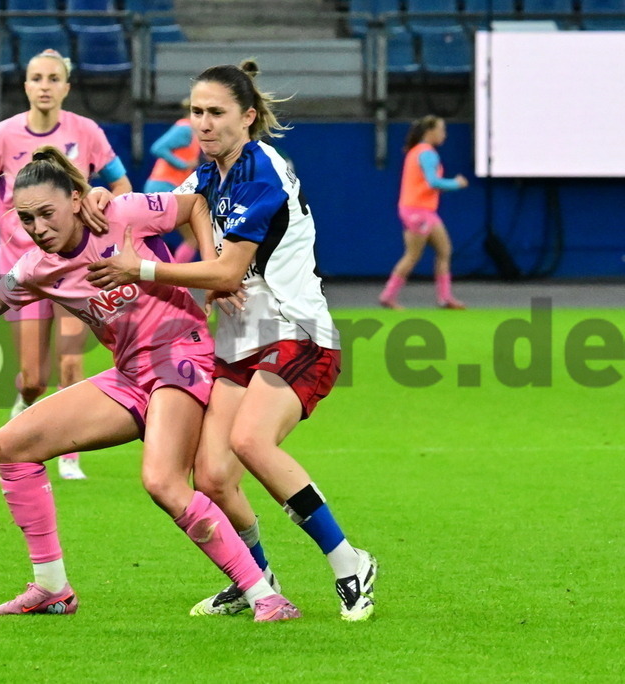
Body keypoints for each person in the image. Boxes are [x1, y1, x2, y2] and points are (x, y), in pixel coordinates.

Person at [0, 146, 300, 622]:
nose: (38, 227)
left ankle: (265, 595)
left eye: (47, 213)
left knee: (163, 482)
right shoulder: (37, 268)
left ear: (77, 200)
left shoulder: (122, 215)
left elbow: (194, 205)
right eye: (27, 218)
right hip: (129, 376)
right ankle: (51, 588)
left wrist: (213, 275)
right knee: (11, 444)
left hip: (183, 357)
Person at [86, 61, 378, 622]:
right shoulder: (210, 173)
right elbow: (166, 209)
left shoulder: (260, 174)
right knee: (213, 476)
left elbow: (225, 273)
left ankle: (350, 563)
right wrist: (100, 197)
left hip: (298, 332)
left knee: (251, 441)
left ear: (247, 117)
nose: (203, 123)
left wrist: (141, 270)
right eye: (196, 112)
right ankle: (256, 579)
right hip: (239, 344)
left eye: (215, 112)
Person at [0, 49, 132, 481]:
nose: (44, 85)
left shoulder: (86, 131)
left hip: (76, 264)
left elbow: (120, 180)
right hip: (24, 267)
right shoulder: (4, 134)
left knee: (72, 361)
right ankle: (26, 402)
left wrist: (108, 201)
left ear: (66, 87)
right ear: (25, 85)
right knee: (35, 377)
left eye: (53, 78)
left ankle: (68, 453)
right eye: (36, 77)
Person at [379, 115, 469, 310]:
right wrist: (457, 183)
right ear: (430, 131)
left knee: (444, 250)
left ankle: (445, 298)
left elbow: (427, 184)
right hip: (418, 211)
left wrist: (444, 186)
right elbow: (433, 182)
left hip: (421, 210)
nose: (444, 134)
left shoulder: (418, 152)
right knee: (413, 255)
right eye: (441, 129)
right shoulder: (427, 153)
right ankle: (388, 295)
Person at [144, 105, 202, 264]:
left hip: (166, 187)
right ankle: (174, 280)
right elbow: (158, 147)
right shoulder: (186, 129)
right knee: (192, 238)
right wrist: (184, 164)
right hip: (165, 187)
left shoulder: (194, 132)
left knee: (149, 237)